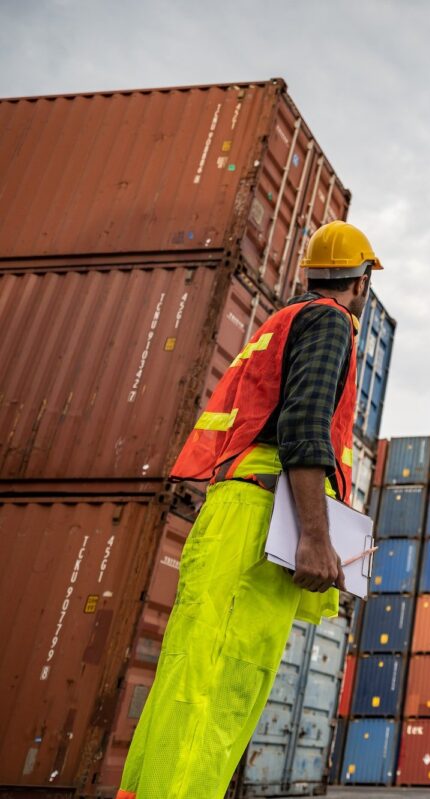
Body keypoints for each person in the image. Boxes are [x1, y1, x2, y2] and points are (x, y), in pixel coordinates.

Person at [117, 221, 383, 799]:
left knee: (192, 678)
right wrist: (314, 536)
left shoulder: (278, 323)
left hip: (236, 506)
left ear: (309, 272)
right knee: (221, 686)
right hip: (262, 516)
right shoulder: (331, 321)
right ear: (360, 280)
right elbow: (305, 426)